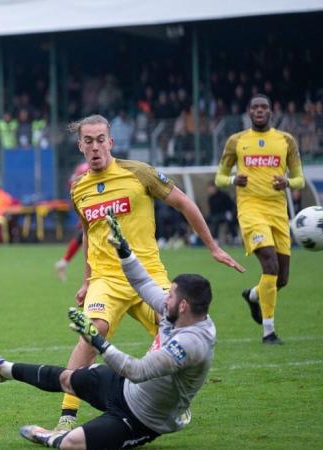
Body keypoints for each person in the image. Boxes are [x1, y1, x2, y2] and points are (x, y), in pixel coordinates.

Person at [53, 114, 243, 432]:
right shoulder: (78, 189)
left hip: (147, 273)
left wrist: (213, 246)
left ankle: (173, 403)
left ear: (111, 142)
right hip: (106, 279)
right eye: (89, 141)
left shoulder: (139, 173)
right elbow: (89, 234)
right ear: (80, 146)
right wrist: (86, 281)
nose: (96, 146)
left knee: (176, 331)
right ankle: (66, 417)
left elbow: (183, 203)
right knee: (93, 330)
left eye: (101, 139)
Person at [0, 213, 216, 449]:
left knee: (71, 444)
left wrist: (98, 341)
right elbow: (143, 282)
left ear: (183, 306)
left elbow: (138, 370)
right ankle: (2, 368)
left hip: (141, 419)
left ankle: (50, 438)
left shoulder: (191, 343)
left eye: (170, 295)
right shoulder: (178, 311)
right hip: (124, 386)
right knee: (69, 378)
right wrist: (124, 251)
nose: (165, 298)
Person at [215, 94, 305, 344]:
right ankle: (269, 332)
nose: (259, 110)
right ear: (248, 111)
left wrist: (287, 181)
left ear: (271, 111)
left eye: (264, 107)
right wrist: (234, 180)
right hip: (250, 210)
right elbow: (219, 177)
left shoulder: (286, 140)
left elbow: (300, 179)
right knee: (270, 265)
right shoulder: (236, 141)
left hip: (278, 212)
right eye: (255, 107)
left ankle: (254, 295)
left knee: (282, 279)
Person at [55, 162, 89, 282]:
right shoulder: (86, 171)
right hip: (90, 210)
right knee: (83, 236)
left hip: (89, 210)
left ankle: (63, 262)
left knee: (82, 236)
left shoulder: (82, 170)